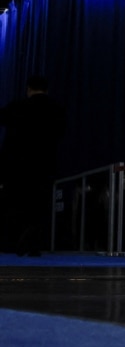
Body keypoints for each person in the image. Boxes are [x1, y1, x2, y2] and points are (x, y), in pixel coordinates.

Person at [0, 75, 66, 255]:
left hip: (17, 165)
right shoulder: (56, 109)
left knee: (15, 204)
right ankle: (34, 245)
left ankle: (12, 243)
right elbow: (61, 134)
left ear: (28, 89)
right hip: (44, 164)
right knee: (39, 207)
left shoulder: (17, 106)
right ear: (47, 89)